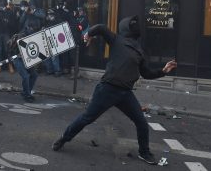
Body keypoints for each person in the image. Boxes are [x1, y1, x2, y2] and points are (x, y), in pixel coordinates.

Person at [52, 16, 177, 165]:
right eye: (133, 24)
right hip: (107, 89)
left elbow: (146, 73)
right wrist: (89, 34)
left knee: (141, 122)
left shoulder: (140, 52)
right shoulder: (117, 40)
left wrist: (163, 71)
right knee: (87, 118)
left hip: (125, 94)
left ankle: (144, 152)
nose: (135, 26)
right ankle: (63, 138)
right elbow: (101, 28)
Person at [7, 31, 38, 103]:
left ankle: (26, 92)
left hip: (26, 59)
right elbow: (9, 51)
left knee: (34, 75)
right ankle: (27, 95)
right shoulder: (17, 38)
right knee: (26, 76)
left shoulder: (34, 38)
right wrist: (10, 64)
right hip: (17, 59)